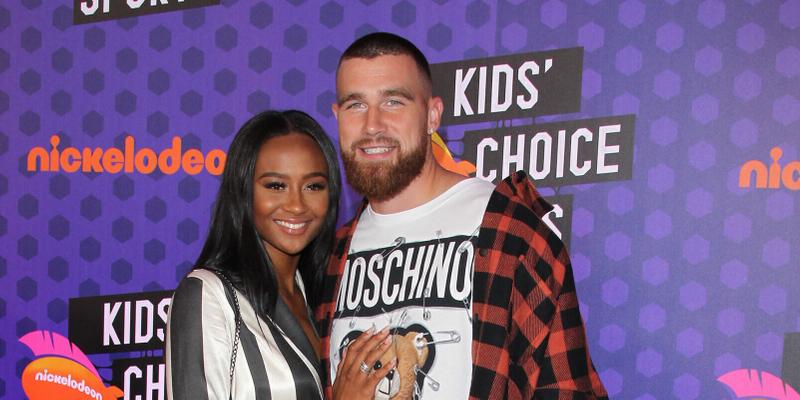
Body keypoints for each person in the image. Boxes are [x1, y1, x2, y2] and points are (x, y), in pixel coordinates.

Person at [314, 33, 608, 399]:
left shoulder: (510, 232)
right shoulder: (332, 255)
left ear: (432, 116)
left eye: (393, 101)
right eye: (356, 105)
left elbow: (567, 389)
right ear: (337, 116)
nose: (373, 125)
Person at [165, 110, 341, 399]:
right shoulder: (208, 294)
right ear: (244, 191)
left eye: (313, 186)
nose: (296, 205)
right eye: (275, 185)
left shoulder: (324, 298)